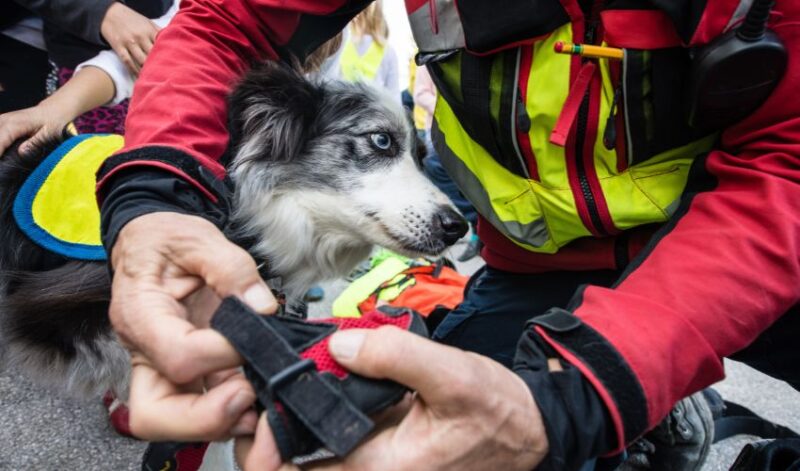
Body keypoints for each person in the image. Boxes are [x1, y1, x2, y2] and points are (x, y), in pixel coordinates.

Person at [94, 1, 800, 471]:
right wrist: (158, 199)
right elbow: (228, 20)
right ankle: (665, 406)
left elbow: (788, 154)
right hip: (536, 262)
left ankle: (668, 405)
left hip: (740, 245)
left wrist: (590, 389)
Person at [413, 64, 483, 262]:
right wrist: (453, 108)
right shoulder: (430, 59)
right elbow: (420, 94)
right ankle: (477, 221)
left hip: (470, 133)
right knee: (435, 167)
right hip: (442, 130)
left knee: (472, 181)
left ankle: (481, 233)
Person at [337, 1, 400, 101]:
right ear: (379, 14)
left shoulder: (341, 46)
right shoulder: (388, 51)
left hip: (343, 112)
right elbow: (394, 95)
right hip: (375, 113)